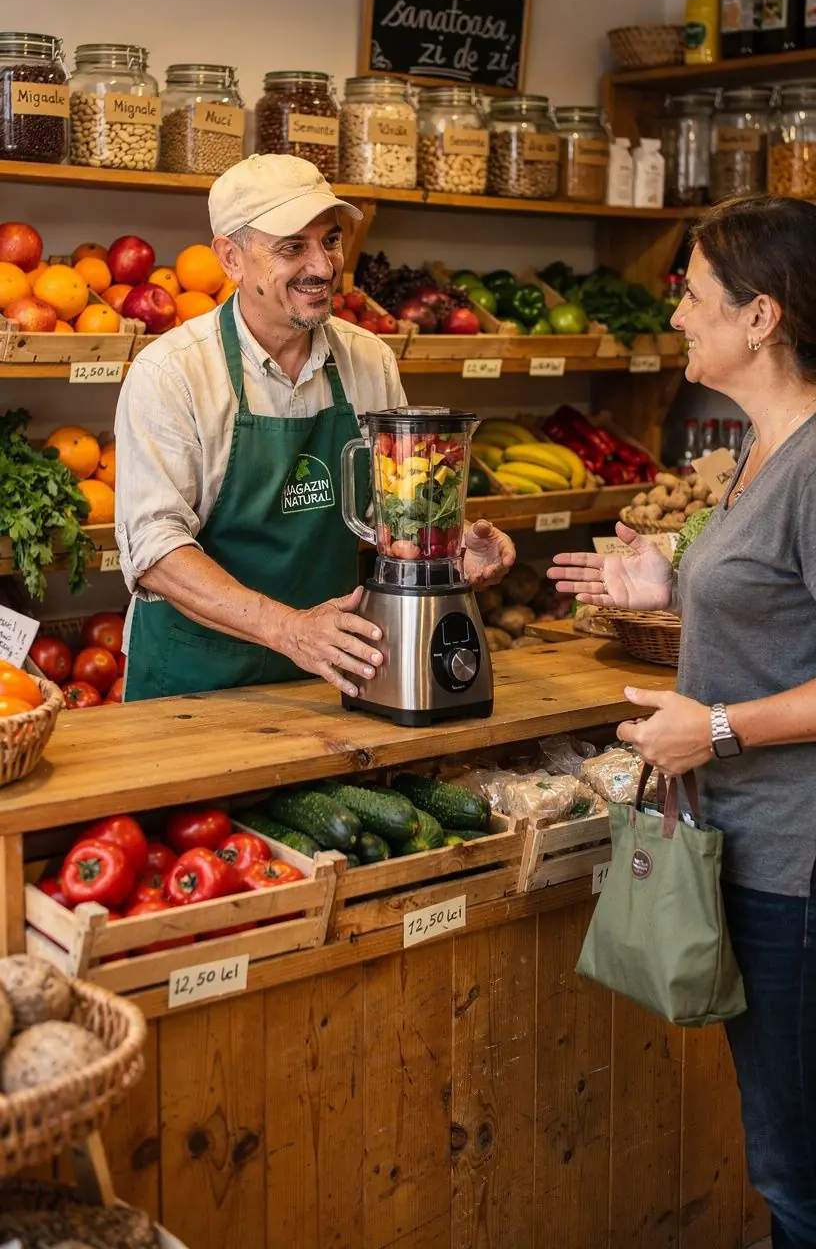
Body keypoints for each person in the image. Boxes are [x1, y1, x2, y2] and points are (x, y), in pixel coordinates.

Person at [549, 194, 816, 1249]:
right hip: (751, 849)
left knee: (799, 1176)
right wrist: (672, 586)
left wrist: (712, 730)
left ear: (762, 317)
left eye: (696, 296)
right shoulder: (760, 450)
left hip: (800, 867)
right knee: (784, 1152)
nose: (679, 318)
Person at [115, 153, 514, 702]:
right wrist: (287, 628)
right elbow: (155, 552)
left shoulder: (368, 360)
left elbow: (389, 512)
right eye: (291, 247)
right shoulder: (172, 373)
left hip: (327, 670)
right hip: (195, 683)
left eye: (329, 240)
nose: (324, 267)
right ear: (231, 257)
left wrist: (443, 548)